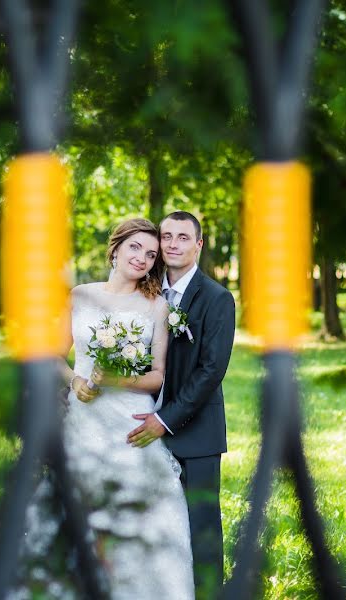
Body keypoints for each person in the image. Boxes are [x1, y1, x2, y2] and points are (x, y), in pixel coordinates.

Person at [50, 218, 194, 599]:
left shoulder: (156, 306)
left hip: (130, 422)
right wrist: (76, 381)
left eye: (150, 254)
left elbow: (157, 376)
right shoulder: (80, 295)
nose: (143, 258)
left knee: (139, 514)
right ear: (115, 248)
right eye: (135, 248)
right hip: (83, 420)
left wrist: (114, 379)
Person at [127, 211, 235, 597]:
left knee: (201, 526)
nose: (173, 244)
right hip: (141, 423)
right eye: (167, 236)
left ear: (198, 245)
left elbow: (210, 371)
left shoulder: (217, 298)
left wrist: (165, 420)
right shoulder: (145, 292)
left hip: (196, 432)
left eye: (182, 237)